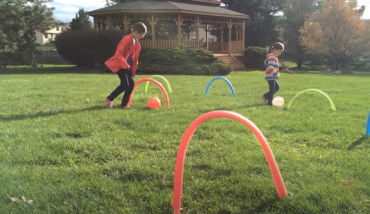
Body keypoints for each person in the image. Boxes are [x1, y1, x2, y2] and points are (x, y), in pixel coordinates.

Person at [104, 22, 147, 108]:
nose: (143, 37)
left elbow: (134, 56)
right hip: (121, 65)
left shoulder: (135, 42)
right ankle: (109, 98)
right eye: (142, 34)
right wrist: (124, 65)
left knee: (131, 85)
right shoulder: (126, 39)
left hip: (127, 66)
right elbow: (118, 54)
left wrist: (132, 66)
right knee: (125, 85)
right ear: (136, 32)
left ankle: (124, 104)